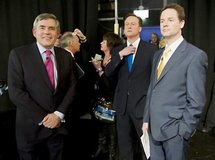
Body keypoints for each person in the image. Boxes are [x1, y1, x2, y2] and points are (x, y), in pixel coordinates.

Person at [142, 3, 208, 160]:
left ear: (182, 23)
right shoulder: (157, 55)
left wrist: (183, 131)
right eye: (162, 20)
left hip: (175, 133)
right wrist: (146, 120)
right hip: (152, 130)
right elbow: (152, 88)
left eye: (170, 19)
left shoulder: (195, 56)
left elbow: (197, 100)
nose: (164, 23)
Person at [7, 13, 77, 160]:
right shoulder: (19, 55)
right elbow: (16, 92)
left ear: (58, 34)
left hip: (58, 128)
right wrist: (44, 117)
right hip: (30, 128)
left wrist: (58, 115)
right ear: (34, 32)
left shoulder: (65, 56)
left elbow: (72, 87)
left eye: (51, 29)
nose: (47, 32)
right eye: (42, 28)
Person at [105, 13, 158, 160]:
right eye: (126, 24)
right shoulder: (117, 50)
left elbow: (155, 78)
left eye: (132, 24)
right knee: (124, 146)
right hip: (122, 106)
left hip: (142, 106)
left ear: (140, 28)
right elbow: (108, 73)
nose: (128, 26)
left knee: (146, 147)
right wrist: (120, 54)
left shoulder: (151, 49)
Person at [90, 32, 123, 160]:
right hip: (100, 99)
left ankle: (112, 153)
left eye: (103, 42)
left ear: (110, 44)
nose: (101, 43)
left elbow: (110, 84)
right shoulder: (100, 56)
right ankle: (101, 147)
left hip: (112, 100)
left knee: (111, 130)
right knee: (100, 126)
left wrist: (99, 69)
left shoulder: (116, 60)